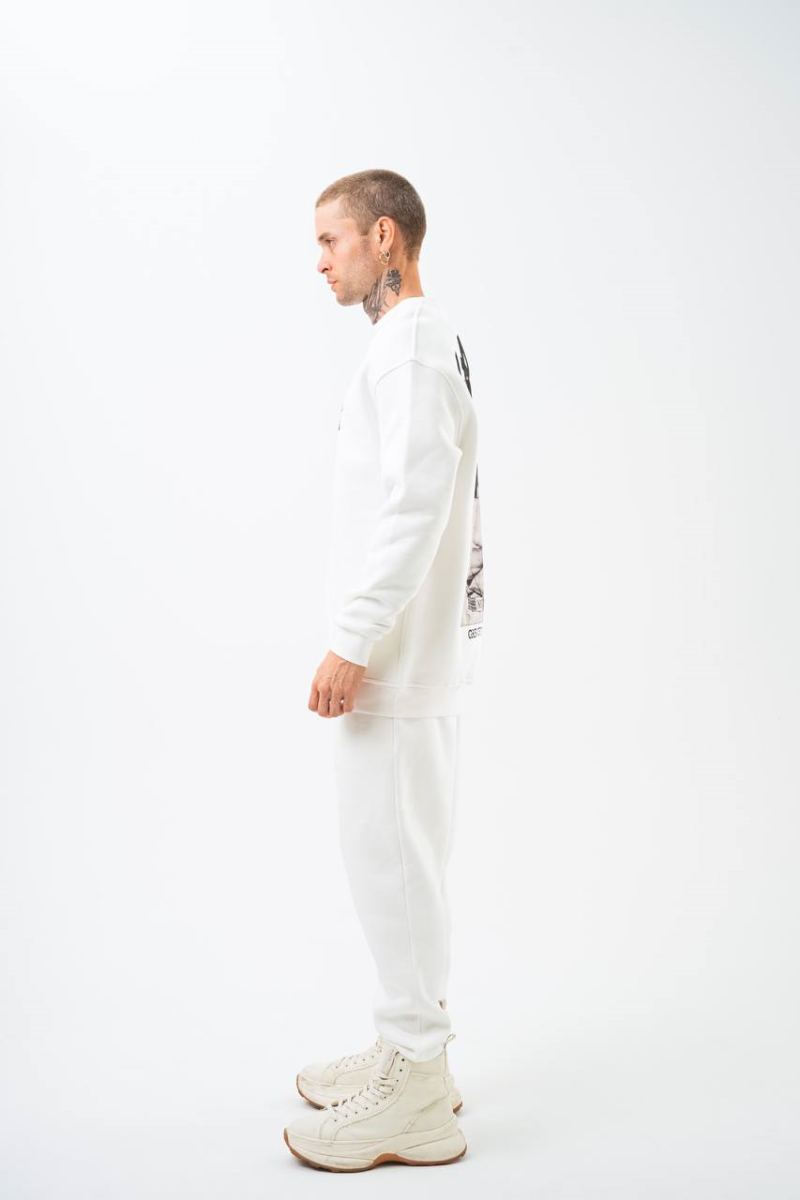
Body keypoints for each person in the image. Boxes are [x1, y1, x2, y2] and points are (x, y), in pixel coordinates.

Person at [283, 169, 485, 1172]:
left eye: (331, 240)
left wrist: (353, 638)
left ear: (384, 237)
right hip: (406, 663)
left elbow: (416, 502)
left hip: (392, 666)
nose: (319, 262)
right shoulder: (414, 341)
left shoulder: (407, 342)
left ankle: (412, 1088)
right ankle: (412, 1055)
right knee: (399, 864)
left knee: (390, 865)